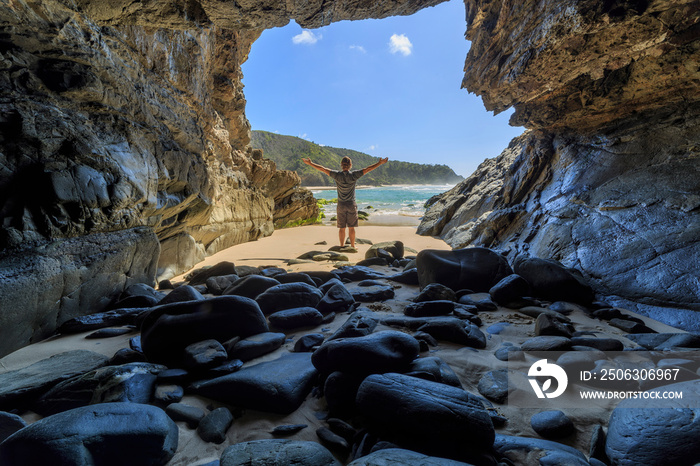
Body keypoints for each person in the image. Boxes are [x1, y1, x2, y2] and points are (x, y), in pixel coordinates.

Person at [302, 156, 388, 248]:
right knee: (351, 228)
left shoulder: (337, 175)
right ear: (350, 165)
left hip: (341, 205)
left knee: (342, 228)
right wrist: (379, 163)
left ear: (341, 165)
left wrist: (310, 163)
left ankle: (342, 246)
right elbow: (368, 169)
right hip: (351, 204)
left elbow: (323, 169)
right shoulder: (354, 175)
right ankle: (352, 246)